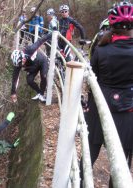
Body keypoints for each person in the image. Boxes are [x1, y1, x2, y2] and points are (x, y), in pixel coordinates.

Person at [80, 2, 133, 187]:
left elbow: (92, 80)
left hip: (99, 109)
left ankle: (79, 182)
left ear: (111, 26)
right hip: (127, 112)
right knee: (121, 163)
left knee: (89, 155)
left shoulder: (101, 50)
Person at [10, 33, 52, 103]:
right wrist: (13, 92)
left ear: (22, 56)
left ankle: (42, 94)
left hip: (42, 61)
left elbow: (40, 41)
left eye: (21, 62)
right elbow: (15, 78)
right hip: (33, 68)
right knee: (29, 80)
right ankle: (39, 92)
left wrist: (52, 34)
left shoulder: (29, 50)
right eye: (20, 64)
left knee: (43, 76)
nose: (21, 64)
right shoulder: (17, 65)